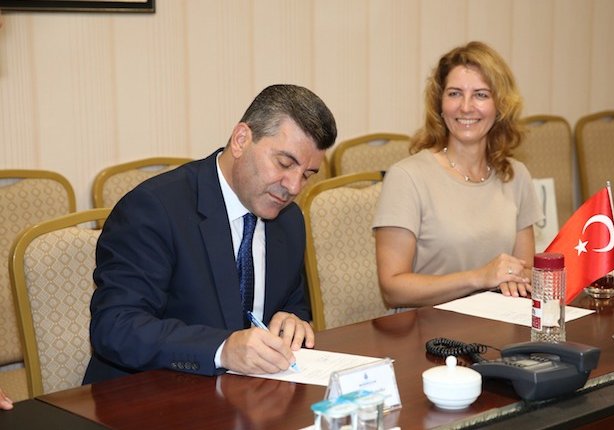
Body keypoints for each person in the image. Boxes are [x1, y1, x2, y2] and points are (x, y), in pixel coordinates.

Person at [84, 84, 337, 384]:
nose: (294, 187)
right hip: (148, 392)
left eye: (307, 175)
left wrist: (292, 322)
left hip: (244, 393)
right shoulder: (154, 209)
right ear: (241, 139)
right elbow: (116, 326)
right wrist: (222, 349)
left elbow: (292, 303)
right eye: (284, 163)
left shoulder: (289, 220)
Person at [372, 41, 543, 309]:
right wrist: (479, 278)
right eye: (454, 94)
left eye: (481, 95)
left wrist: (519, 277)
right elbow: (392, 289)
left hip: (498, 322)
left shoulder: (516, 175)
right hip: (427, 328)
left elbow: (526, 271)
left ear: (500, 106)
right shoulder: (406, 177)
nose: (465, 107)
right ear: (440, 104)